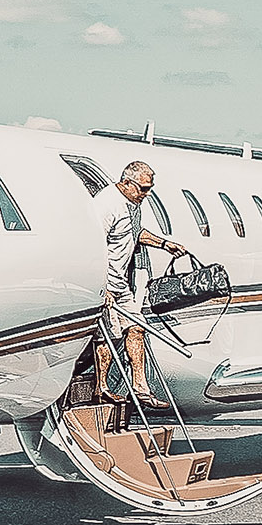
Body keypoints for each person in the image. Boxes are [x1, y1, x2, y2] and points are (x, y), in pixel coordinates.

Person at [98, 160, 189, 410]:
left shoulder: (133, 203)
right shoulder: (107, 205)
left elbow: (135, 232)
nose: (147, 194)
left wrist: (163, 243)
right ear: (126, 183)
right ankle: (102, 388)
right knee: (109, 335)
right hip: (104, 283)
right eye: (143, 189)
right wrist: (102, 286)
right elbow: (93, 243)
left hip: (121, 282)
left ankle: (140, 388)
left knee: (137, 328)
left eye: (150, 189)